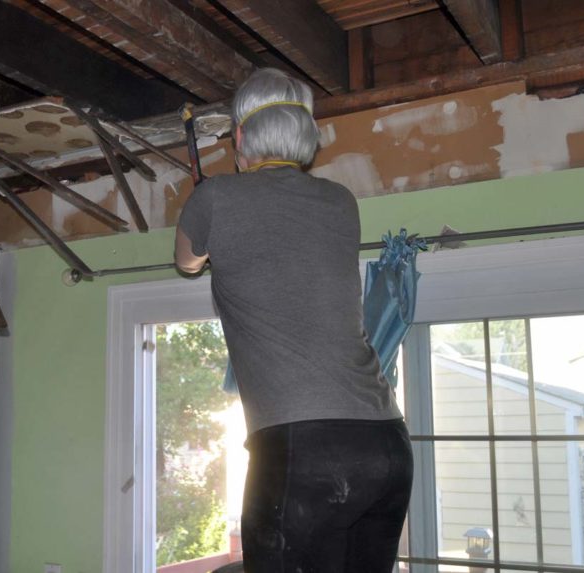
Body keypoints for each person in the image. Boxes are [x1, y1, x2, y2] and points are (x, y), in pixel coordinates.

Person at [175, 68, 413, 573]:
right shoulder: (340, 202)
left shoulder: (214, 196)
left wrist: (208, 219)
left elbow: (187, 262)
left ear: (240, 136)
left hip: (304, 451)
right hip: (386, 447)